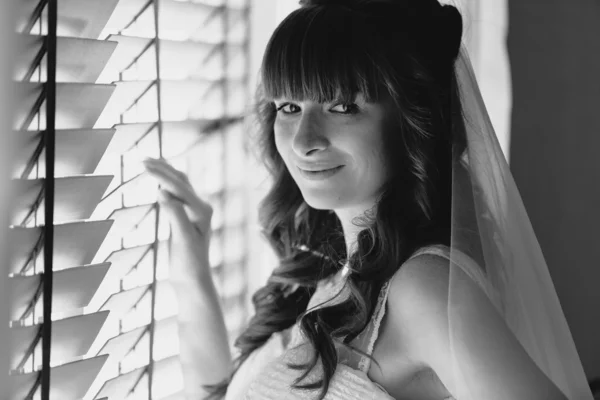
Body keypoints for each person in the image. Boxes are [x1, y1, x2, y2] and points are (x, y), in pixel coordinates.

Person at [143, 0, 595, 399]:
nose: (303, 140)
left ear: (412, 121)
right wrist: (191, 268)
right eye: (288, 107)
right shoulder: (327, 276)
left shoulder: (424, 290)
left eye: (342, 107)